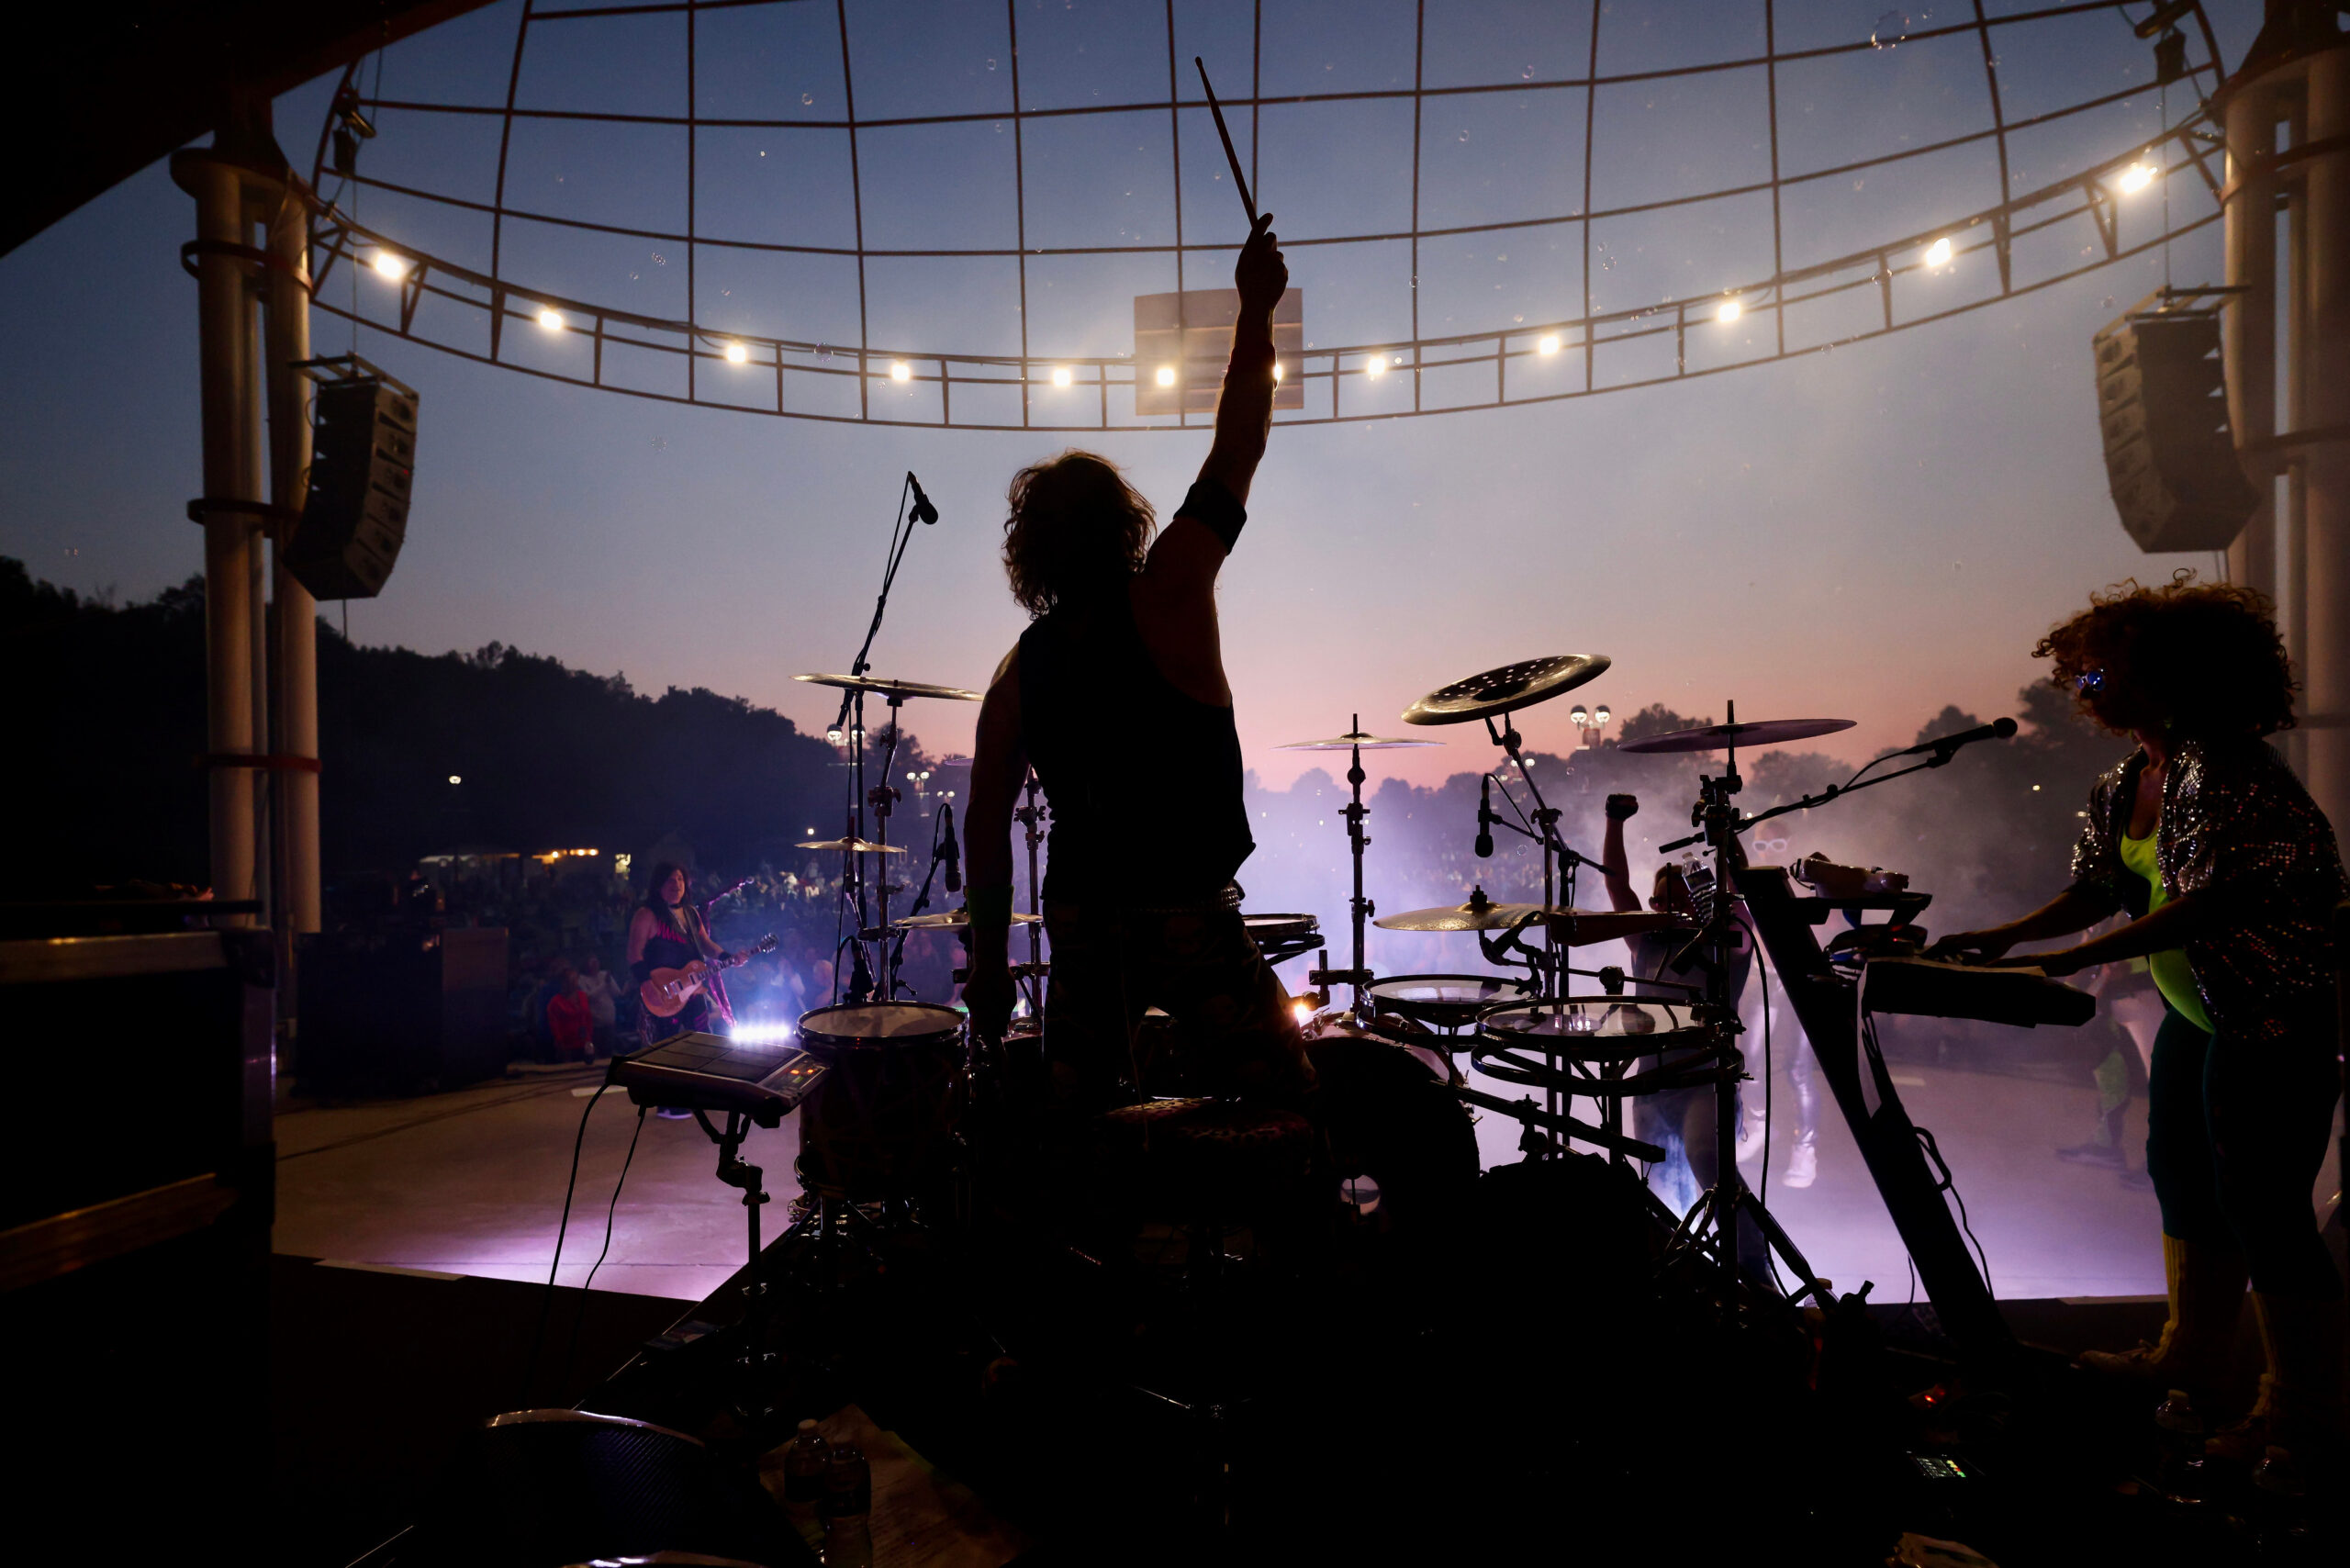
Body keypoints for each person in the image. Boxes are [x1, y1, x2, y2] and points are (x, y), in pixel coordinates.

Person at [1932, 575, 2344, 1458]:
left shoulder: (2232, 770)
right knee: (2183, 1180)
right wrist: (1998, 939)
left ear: (2167, 674)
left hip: (2273, 1017)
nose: (2081, 687)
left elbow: (2217, 901)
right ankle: (2192, 1363)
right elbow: (2100, 889)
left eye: (2095, 671)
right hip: (2200, 1018)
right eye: (2077, 674)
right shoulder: (2131, 779)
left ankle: (2302, 1415)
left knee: (2265, 1208)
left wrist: (2078, 958)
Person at [962, 214, 1312, 1112]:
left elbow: (985, 833)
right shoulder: (1169, 589)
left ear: (1030, 555)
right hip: (1189, 913)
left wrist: (995, 972)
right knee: (1286, 1116)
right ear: (1125, 524)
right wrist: (1255, 310)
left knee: (1083, 1139)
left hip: (1081, 929)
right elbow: (1239, 444)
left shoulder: (1013, 678)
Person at [627, 862, 739, 1046]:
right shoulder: (646, 915)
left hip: (693, 989)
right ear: (659, 884)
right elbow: (634, 955)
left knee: (704, 1042)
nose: (676, 885)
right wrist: (648, 987)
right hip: (663, 992)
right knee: (664, 1047)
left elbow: (705, 944)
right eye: (670, 880)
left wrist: (727, 957)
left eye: (680, 879)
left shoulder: (691, 913)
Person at [576, 951, 621, 1052]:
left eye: (596, 962)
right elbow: (587, 997)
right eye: (592, 963)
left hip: (609, 1020)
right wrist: (604, 984)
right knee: (598, 1052)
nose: (595, 965)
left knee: (609, 1051)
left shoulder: (604, 975)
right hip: (595, 1023)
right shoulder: (581, 979)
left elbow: (617, 993)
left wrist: (609, 983)